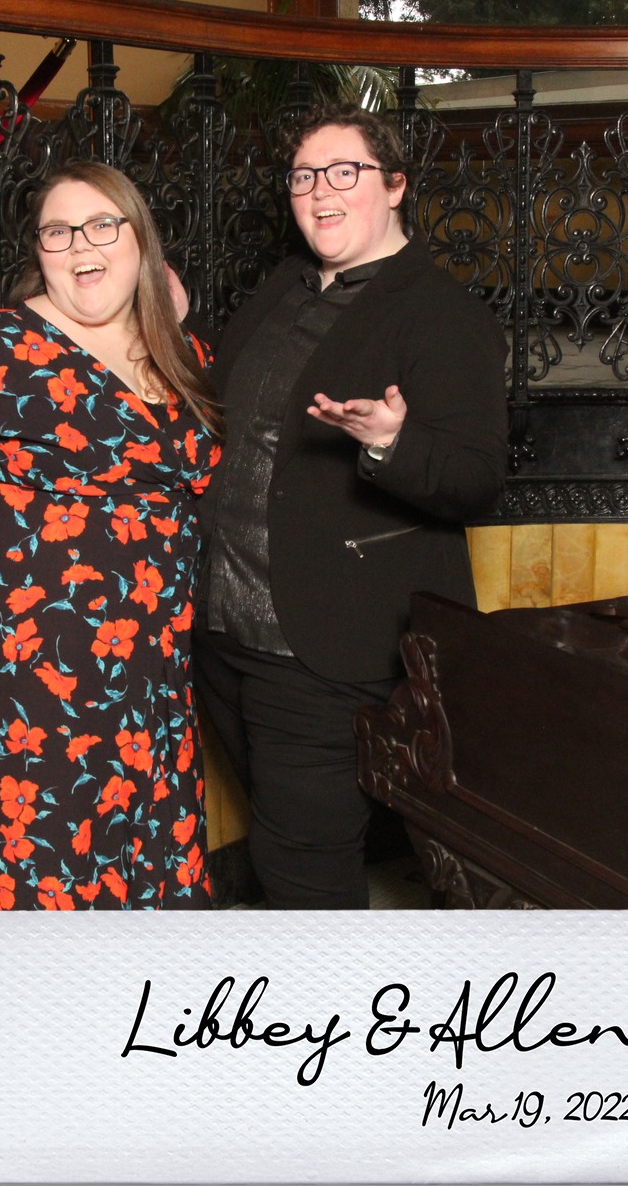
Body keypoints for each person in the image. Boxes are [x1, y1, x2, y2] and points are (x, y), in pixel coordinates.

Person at [193, 101, 509, 910]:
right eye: (304, 176)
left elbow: (476, 478)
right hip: (224, 631)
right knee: (289, 833)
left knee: (299, 866)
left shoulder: (440, 311)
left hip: (321, 643)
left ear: (395, 185)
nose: (320, 192)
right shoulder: (282, 289)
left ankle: (332, 989)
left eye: (345, 172)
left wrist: (390, 444)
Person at [0, 160, 222, 910]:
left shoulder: (180, 350)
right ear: (39, 251)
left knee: (132, 830)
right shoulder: (1, 338)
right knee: (37, 841)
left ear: (140, 239)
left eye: (102, 225)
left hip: (144, 653)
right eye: (58, 232)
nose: (81, 245)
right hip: (22, 651)